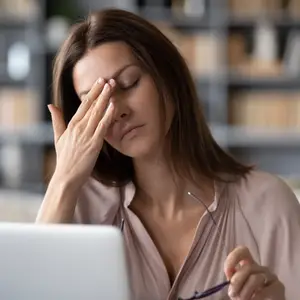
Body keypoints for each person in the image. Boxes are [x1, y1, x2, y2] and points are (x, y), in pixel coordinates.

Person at [36, 8, 300, 300]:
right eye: (95, 103)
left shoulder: (268, 205)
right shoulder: (80, 208)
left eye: (129, 84)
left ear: (168, 76)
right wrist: (63, 179)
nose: (117, 111)